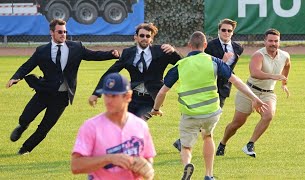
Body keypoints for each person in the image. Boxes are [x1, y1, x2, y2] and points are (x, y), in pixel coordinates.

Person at [150, 31, 268, 180]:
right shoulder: (214, 61)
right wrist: (255, 98)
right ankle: (209, 174)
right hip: (211, 112)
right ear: (205, 45)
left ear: (189, 46)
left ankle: (187, 165)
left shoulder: (181, 65)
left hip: (190, 113)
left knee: (186, 146)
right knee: (208, 137)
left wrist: (156, 109)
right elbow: (236, 81)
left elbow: (162, 92)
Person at [6, 19, 119, 155]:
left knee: (45, 127)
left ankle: (25, 149)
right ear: (52, 33)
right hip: (44, 92)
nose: (63, 34)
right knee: (26, 117)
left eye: (65, 32)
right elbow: (27, 65)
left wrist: (111, 54)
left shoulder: (76, 47)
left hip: (62, 97)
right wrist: (15, 77)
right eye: (60, 32)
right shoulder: (42, 50)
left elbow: (93, 55)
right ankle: (23, 126)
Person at [216, 28, 291, 158]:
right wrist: (274, 76)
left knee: (268, 115)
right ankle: (223, 143)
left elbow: (287, 65)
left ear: (279, 42)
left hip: (268, 93)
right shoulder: (258, 55)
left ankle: (250, 144)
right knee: (237, 123)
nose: (273, 43)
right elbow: (255, 73)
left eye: (276, 41)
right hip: (249, 91)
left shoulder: (285, 55)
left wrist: (284, 83)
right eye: (270, 41)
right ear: (265, 41)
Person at [173, 18, 244, 152]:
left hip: (223, 87)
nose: (226, 33)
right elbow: (203, 63)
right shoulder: (209, 46)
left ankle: (182, 142)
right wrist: (222, 61)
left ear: (233, 33)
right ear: (219, 31)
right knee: (205, 115)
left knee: (212, 115)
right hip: (207, 85)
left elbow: (230, 69)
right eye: (223, 30)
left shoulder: (238, 47)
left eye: (229, 31)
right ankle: (185, 142)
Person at [88, 22, 182, 120]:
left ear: (151, 38)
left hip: (151, 99)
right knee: (121, 122)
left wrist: (174, 51)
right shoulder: (128, 53)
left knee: (136, 123)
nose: (144, 38)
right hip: (132, 97)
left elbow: (183, 63)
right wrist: (96, 93)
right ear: (135, 37)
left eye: (147, 36)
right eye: (141, 35)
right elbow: (110, 73)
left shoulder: (162, 51)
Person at [71, 73, 156, 180]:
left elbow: (148, 158)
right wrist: (109, 159)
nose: (108, 101)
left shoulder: (140, 126)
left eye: (114, 96)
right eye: (106, 95)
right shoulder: (91, 126)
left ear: (128, 96)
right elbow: (76, 166)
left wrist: (147, 168)